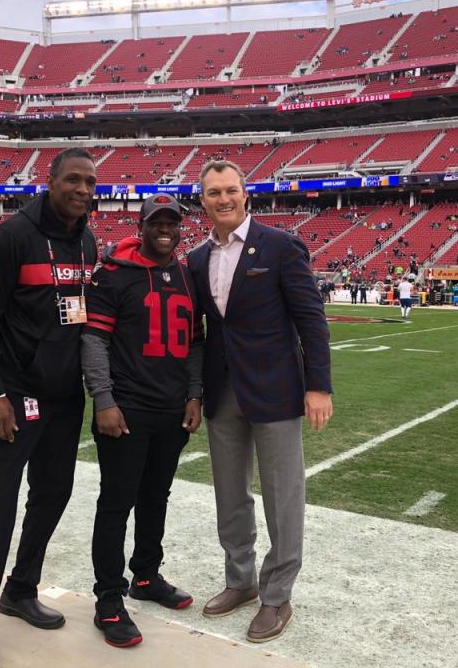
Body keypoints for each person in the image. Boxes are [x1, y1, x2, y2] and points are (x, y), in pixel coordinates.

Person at [0, 148, 98, 668]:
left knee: (53, 495)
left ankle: (20, 588)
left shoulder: (86, 237)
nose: (83, 190)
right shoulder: (13, 235)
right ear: (51, 181)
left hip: (65, 397)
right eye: (74, 180)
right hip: (16, 394)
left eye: (90, 182)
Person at [187, 160, 332, 644]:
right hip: (222, 391)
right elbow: (204, 332)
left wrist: (318, 386)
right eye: (213, 192)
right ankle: (241, 580)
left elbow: (311, 320)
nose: (223, 199)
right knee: (230, 494)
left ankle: (277, 595)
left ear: (245, 195)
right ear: (202, 200)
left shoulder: (281, 245)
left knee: (282, 496)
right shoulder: (196, 258)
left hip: (276, 390)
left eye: (230, 190)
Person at [81, 194, 204, 648]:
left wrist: (194, 394)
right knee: (116, 504)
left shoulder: (188, 275)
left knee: (156, 497)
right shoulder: (114, 275)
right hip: (127, 408)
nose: (165, 229)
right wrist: (104, 400)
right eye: (157, 222)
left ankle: (146, 576)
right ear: (142, 225)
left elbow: (195, 342)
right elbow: (93, 341)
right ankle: (108, 599)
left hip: (172, 409)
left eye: (172, 222)